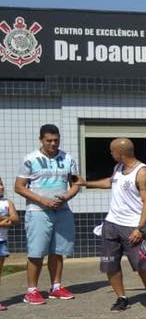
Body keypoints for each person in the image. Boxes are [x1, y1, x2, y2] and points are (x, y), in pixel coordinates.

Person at [81, 138, 146, 311]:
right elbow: (110, 182)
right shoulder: (118, 168)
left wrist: (140, 228)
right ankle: (121, 298)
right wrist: (85, 183)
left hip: (132, 226)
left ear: (121, 153)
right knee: (110, 264)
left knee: (142, 264)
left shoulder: (141, 172)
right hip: (111, 224)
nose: (111, 154)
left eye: (112, 151)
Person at [14, 124, 80, 305]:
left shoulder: (68, 158)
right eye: (49, 140)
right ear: (41, 140)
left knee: (58, 251)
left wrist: (67, 195)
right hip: (38, 212)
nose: (53, 144)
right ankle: (31, 291)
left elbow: (75, 183)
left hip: (62, 211)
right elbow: (18, 186)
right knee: (36, 252)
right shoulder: (30, 159)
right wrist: (42, 200)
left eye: (56, 140)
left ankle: (56, 287)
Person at [0, 178, 18, 311]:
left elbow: (15, 218)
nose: (1, 187)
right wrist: (3, 219)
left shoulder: (7, 202)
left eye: (1, 184)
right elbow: (9, 218)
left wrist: (6, 218)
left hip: (2, 241)